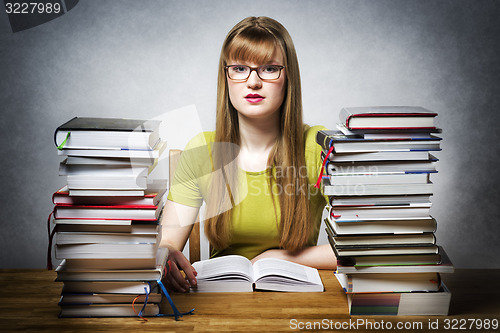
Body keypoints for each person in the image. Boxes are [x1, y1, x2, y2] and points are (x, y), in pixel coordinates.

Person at [160, 16, 336, 293]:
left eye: (269, 69)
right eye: (240, 68)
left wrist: (279, 257)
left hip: (300, 298)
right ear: (226, 76)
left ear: (288, 76)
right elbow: (167, 242)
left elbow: (365, 246)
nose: (253, 82)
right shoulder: (202, 150)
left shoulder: (319, 145)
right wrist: (165, 255)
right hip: (219, 299)